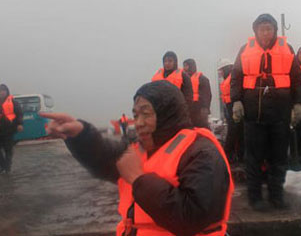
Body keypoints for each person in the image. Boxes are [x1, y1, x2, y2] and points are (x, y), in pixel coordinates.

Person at [41, 81, 234, 236]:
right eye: (135, 115)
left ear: (167, 113)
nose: (139, 123)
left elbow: (193, 217)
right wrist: (79, 134)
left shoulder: (201, 151)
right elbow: (104, 158)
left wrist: (139, 180)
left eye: (146, 114)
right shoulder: (140, 148)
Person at [230, 13, 301, 210]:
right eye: (262, 28)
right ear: (255, 30)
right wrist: (236, 101)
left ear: (274, 31)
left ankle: (276, 196)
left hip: (280, 114)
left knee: (279, 157)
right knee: (253, 157)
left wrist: (298, 104)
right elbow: (236, 78)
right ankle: (255, 198)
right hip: (253, 114)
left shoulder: (287, 49)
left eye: (269, 28)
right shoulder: (245, 50)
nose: (266, 32)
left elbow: (297, 79)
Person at [218, 59, 244, 165]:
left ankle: (230, 155)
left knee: (234, 132)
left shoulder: (233, 79)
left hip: (234, 107)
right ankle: (235, 156)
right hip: (229, 107)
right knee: (235, 132)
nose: (220, 73)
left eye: (221, 70)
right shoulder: (227, 79)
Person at [0, 84, 23, 174]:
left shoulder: (14, 103)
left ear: (7, 92)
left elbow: (19, 114)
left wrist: (20, 124)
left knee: (8, 150)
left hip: (9, 130)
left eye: (3, 90)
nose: (2, 92)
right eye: (0, 90)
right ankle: (3, 166)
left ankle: (7, 168)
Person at [183, 59, 212, 128]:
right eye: (184, 66)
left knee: (202, 128)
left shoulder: (202, 79)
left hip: (199, 109)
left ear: (192, 66)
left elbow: (207, 95)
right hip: (189, 110)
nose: (184, 68)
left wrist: (205, 108)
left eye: (186, 66)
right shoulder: (184, 80)